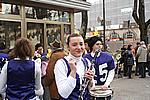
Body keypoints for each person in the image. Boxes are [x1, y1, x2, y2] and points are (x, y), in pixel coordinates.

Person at [54, 33, 94, 99]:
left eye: (81, 44)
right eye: (74, 45)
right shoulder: (61, 64)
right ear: (68, 47)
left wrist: (90, 80)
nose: (78, 47)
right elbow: (63, 94)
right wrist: (73, 72)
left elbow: (91, 89)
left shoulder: (87, 62)